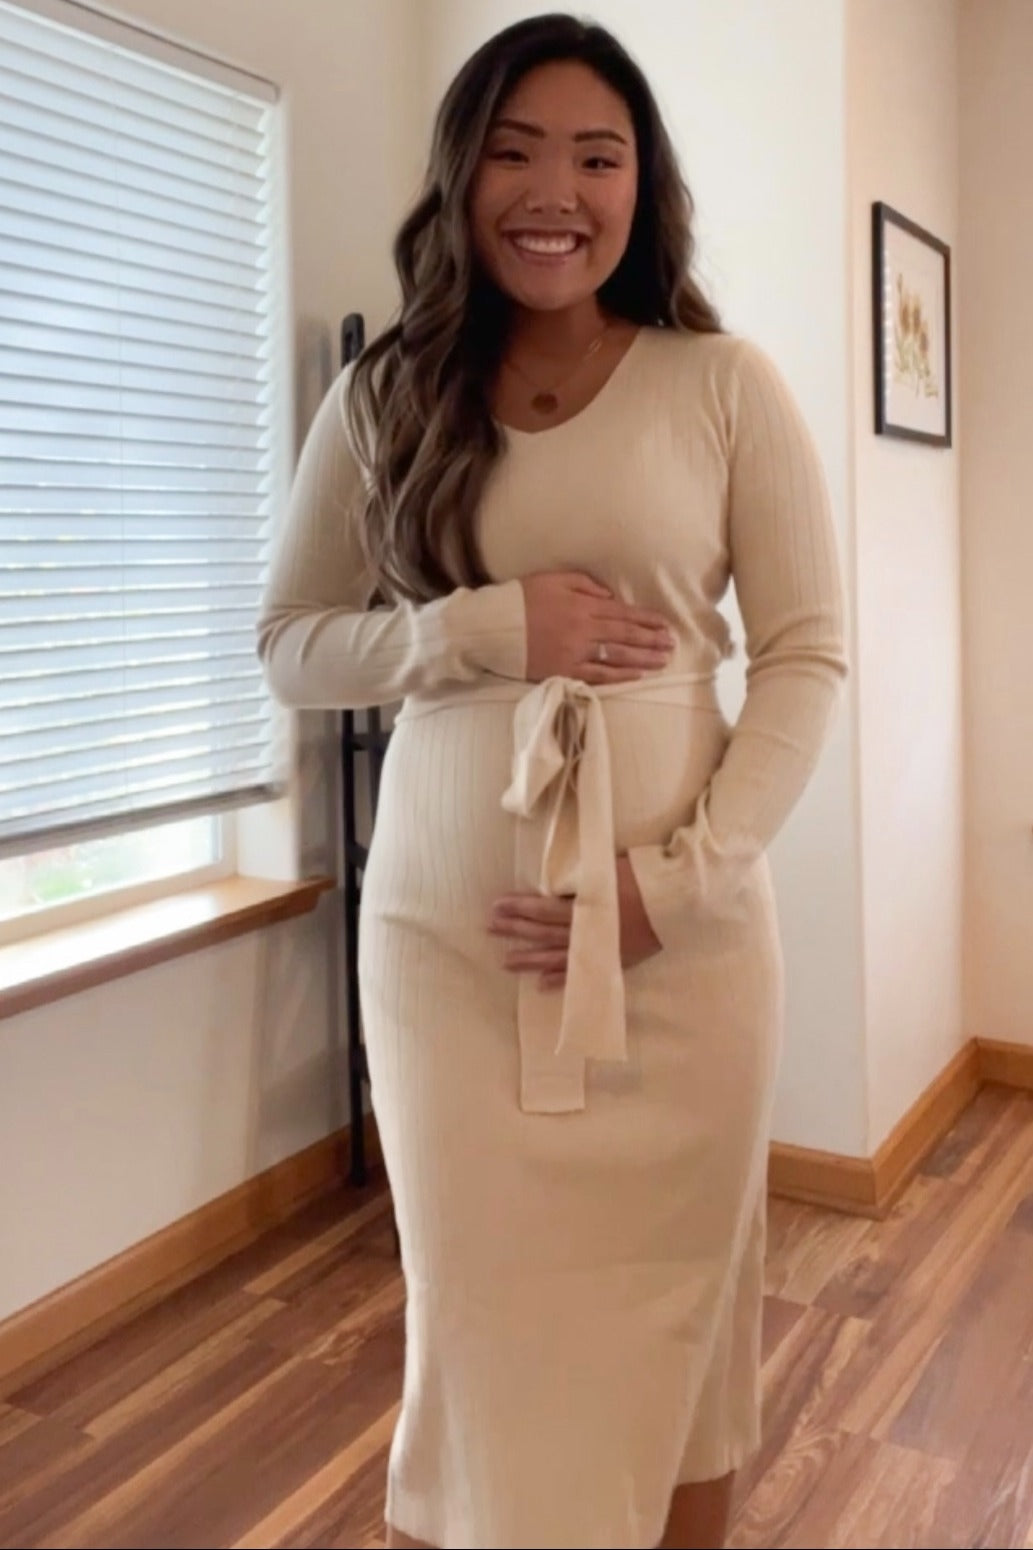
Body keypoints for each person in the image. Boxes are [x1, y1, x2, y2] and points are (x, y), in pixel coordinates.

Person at [257, 13, 847, 1549]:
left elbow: (806, 660)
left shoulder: (723, 384)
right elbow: (290, 646)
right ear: (460, 175)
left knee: (686, 1321)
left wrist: (669, 887)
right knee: (476, 1333)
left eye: (597, 157)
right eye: (514, 152)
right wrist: (478, 630)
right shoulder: (384, 396)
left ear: (640, 188)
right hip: (451, 960)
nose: (555, 193)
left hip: (683, 955)